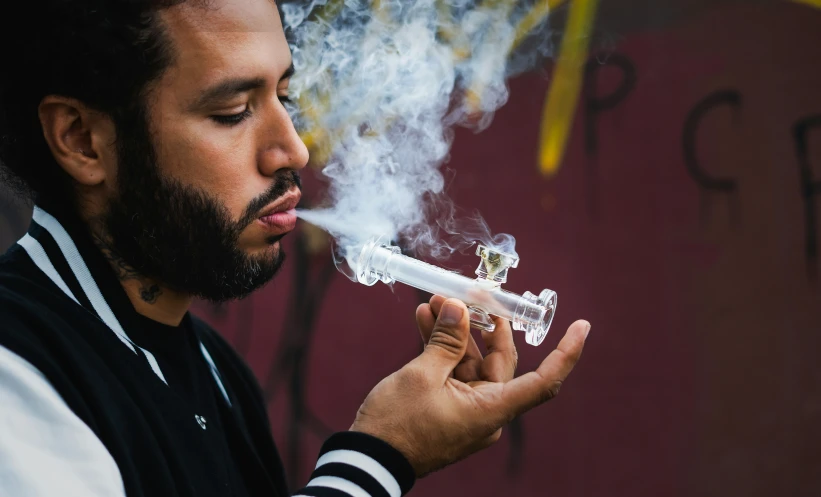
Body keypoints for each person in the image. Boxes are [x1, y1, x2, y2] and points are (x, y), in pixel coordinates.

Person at [0, 1, 591, 496]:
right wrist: (378, 459)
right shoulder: (15, 375)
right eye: (232, 112)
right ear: (82, 140)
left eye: (285, 95)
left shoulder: (214, 367)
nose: (293, 150)